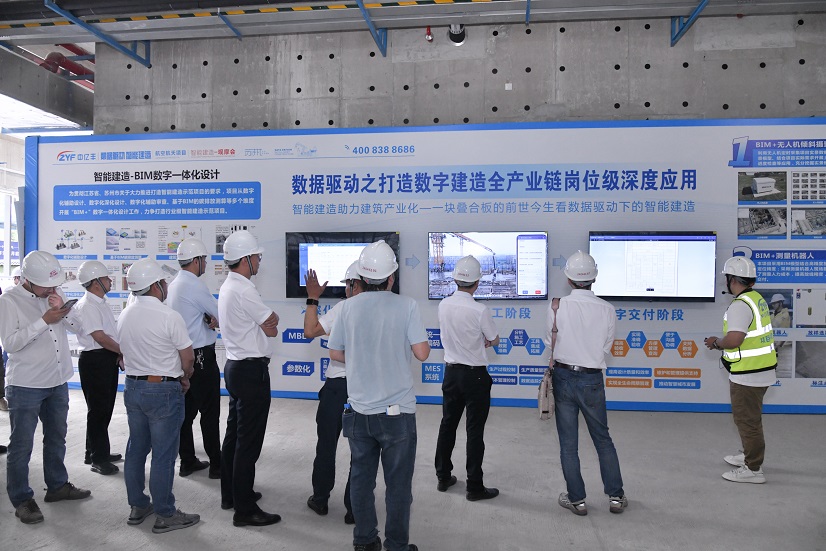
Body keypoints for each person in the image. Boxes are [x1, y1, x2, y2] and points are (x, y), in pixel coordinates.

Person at [328, 240, 430, 551]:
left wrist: (363, 356)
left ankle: (364, 541)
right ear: (391, 278)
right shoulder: (407, 306)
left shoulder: (347, 308)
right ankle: (396, 545)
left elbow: (335, 352)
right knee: (398, 486)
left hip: (359, 412)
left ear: (361, 277)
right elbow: (422, 353)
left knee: (361, 480)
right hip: (397, 414)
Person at [0, 251, 91, 525]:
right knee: (21, 446)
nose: (51, 290)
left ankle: (57, 486)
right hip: (26, 385)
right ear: (27, 280)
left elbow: (79, 328)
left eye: (55, 285)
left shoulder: (55, 293)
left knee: (56, 438)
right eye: (46, 286)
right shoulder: (9, 301)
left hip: (57, 381)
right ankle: (22, 499)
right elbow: (10, 344)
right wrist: (44, 321)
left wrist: (64, 309)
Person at [118, 258, 200, 533]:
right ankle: (165, 513)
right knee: (163, 455)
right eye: (163, 282)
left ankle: (138, 505)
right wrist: (185, 377)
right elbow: (188, 357)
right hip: (163, 390)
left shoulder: (125, 314)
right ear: (155, 286)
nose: (166, 285)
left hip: (133, 388)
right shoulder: (168, 316)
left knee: (136, 449)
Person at [545, 251, 627, 517]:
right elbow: (606, 347)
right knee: (602, 439)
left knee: (568, 444)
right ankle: (616, 497)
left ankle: (577, 500)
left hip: (563, 377)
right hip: (591, 378)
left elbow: (549, 342)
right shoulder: (607, 309)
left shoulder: (556, 306)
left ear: (568, 279)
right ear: (594, 278)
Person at [218, 230, 281, 527]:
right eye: (257, 256)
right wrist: (270, 320)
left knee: (234, 435)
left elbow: (268, 323)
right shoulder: (244, 290)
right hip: (250, 372)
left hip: (235, 367)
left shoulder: (229, 286)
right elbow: (272, 326)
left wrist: (268, 321)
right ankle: (244, 510)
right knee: (248, 442)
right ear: (245, 259)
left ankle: (231, 494)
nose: (259, 261)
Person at [704, 256, 777, 484]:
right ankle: (748, 454)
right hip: (761, 369)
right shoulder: (756, 299)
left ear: (733, 280)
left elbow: (735, 339)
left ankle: (753, 469)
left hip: (748, 374)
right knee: (750, 419)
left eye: (727, 277)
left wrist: (716, 343)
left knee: (747, 422)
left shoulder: (740, 305)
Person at [434, 255, 500, 501]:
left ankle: (443, 476)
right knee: (474, 431)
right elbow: (494, 339)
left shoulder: (443, 305)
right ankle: (474, 487)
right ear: (477, 282)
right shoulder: (479, 310)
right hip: (475, 377)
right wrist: (486, 341)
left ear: (455, 280)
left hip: (451, 373)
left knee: (447, 425)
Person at [303, 262, 362, 525]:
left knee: (326, 444)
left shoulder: (342, 308)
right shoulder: (383, 310)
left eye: (347, 284)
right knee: (361, 449)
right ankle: (354, 507)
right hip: (364, 388)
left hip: (337, 387)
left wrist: (313, 298)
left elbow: (310, 331)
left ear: (354, 285)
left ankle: (320, 499)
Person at [167, 238, 221, 479]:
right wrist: (213, 318)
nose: (206, 264)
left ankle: (187, 461)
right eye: (205, 259)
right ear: (197, 261)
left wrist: (206, 319)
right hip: (201, 357)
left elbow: (192, 316)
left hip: (183, 356)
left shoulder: (175, 284)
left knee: (186, 414)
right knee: (210, 413)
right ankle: (217, 464)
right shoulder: (195, 285)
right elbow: (219, 313)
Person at [75, 260, 122, 476]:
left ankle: (93, 451)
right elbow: (100, 337)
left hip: (105, 358)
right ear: (95, 283)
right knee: (98, 411)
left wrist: (117, 353)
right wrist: (123, 352)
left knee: (103, 409)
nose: (110, 280)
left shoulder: (99, 302)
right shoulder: (88, 305)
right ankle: (99, 458)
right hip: (96, 360)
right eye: (105, 278)